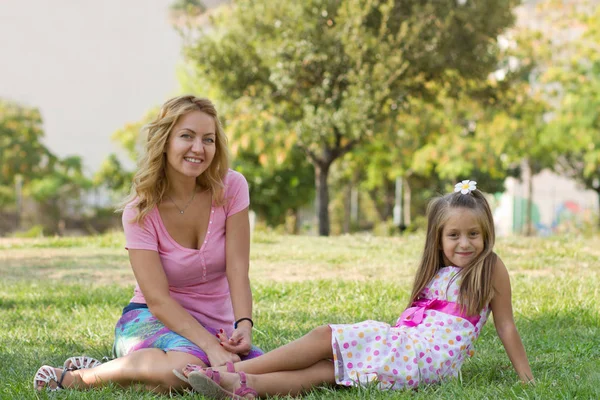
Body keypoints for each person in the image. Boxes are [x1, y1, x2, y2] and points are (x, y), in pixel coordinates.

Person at [177, 180, 534, 399]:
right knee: (325, 370)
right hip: (411, 356)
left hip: (423, 357)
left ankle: (236, 372)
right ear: (438, 240)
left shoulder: (489, 267)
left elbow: (505, 325)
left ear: (487, 233)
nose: (465, 243)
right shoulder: (439, 272)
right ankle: (244, 389)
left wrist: (526, 378)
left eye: (474, 234)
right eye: (454, 235)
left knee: (324, 336)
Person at [33, 95, 263, 393]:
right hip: (150, 318)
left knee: (246, 369)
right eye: (186, 136)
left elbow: (237, 268)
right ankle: (85, 377)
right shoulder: (140, 210)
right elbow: (157, 299)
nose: (198, 148)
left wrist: (243, 325)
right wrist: (211, 347)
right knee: (182, 370)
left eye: (208, 139)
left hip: (215, 324)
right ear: (165, 141)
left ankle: (143, 367)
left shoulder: (232, 187)